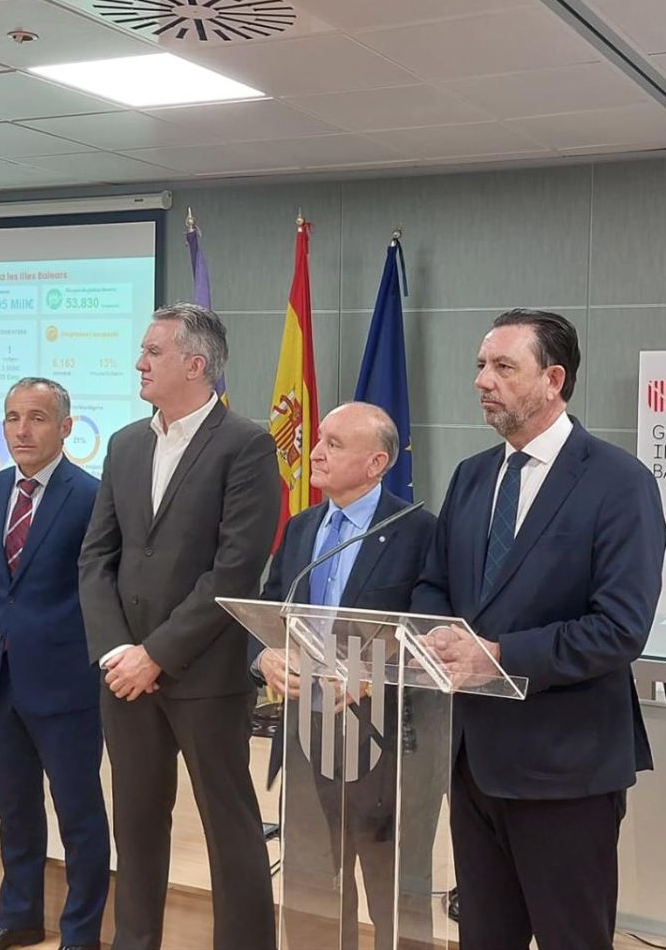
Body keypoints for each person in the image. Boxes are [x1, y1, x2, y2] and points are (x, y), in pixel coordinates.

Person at [412, 309, 666, 950]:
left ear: (553, 379)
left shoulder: (619, 483)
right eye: (479, 365)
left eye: (503, 367)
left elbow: (619, 629)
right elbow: (433, 584)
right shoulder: (473, 476)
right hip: (473, 760)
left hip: (566, 769)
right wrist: (439, 635)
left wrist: (498, 654)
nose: (482, 381)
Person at [78, 302, 280, 950]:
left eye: (152, 352)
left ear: (195, 364)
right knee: (135, 826)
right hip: (125, 677)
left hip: (204, 676)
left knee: (231, 829)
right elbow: (96, 556)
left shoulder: (247, 444)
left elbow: (235, 570)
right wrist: (117, 651)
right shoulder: (126, 442)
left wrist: (156, 653)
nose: (139, 361)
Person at [250, 401, 438, 950]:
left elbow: (430, 628)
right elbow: (266, 609)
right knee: (313, 883)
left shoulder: (417, 531)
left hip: (387, 746)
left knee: (392, 892)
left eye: (333, 443)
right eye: (319, 441)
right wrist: (263, 656)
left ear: (377, 462)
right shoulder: (304, 526)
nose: (314, 452)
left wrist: (373, 670)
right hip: (307, 736)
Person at [0, 378, 108, 950]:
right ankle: (17, 916)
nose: (22, 430)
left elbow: (100, 590)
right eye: (13, 417)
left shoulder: (92, 496)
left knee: (78, 815)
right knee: (14, 809)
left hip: (66, 683)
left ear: (66, 427)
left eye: (38, 418)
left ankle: (80, 933)